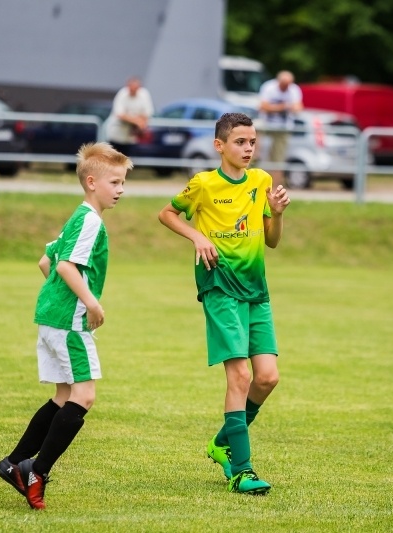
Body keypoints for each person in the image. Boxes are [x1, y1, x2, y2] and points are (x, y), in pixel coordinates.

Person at [157, 112, 291, 495]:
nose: (248, 149)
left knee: (267, 377)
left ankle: (221, 442)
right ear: (219, 146)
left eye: (252, 142)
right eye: (240, 142)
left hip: (256, 289)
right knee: (240, 377)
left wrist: (277, 214)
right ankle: (241, 471)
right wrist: (196, 236)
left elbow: (272, 241)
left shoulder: (261, 181)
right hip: (219, 286)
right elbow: (166, 214)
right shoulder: (203, 184)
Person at [0, 142, 132, 510]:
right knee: (84, 396)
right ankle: (36, 472)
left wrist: (61, 299)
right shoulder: (91, 221)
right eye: (115, 182)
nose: (121, 189)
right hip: (68, 323)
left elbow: (45, 260)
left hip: (51, 317)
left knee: (63, 396)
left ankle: (13, 464)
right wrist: (90, 302)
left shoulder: (79, 216)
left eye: (123, 182)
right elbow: (64, 266)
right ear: (91, 182)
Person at [258, 70, 303, 188]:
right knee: (258, 151)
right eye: (284, 84)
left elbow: (298, 108)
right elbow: (262, 106)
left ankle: (275, 187)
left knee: (278, 160)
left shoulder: (294, 90)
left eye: (288, 85)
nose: (286, 87)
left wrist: (277, 107)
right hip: (266, 125)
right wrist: (283, 107)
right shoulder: (269, 87)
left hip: (283, 128)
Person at [106, 76, 154, 156]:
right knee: (114, 159)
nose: (133, 90)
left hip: (131, 137)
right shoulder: (122, 94)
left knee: (127, 159)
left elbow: (147, 113)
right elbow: (120, 114)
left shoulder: (144, 94)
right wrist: (138, 121)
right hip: (117, 134)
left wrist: (141, 125)